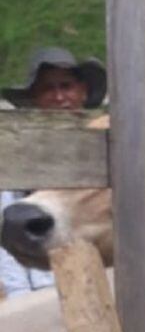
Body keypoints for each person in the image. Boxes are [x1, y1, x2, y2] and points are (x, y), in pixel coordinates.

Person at [0, 47, 107, 298]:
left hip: (95, 283)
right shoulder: (20, 152)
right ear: (35, 97)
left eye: (66, 86)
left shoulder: (103, 146)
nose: (59, 97)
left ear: (82, 91)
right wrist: (21, 298)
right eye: (48, 89)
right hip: (34, 287)